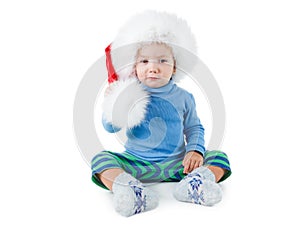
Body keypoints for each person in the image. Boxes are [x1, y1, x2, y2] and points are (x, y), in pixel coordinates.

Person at [91, 10, 231, 217]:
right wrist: (114, 103)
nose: (153, 68)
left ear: (175, 66)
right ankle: (129, 189)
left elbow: (194, 127)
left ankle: (194, 185)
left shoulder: (184, 97)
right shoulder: (130, 93)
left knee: (219, 157)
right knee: (100, 160)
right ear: (133, 67)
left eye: (163, 61)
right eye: (144, 62)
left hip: (179, 165)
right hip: (137, 164)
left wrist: (195, 151)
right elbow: (110, 127)